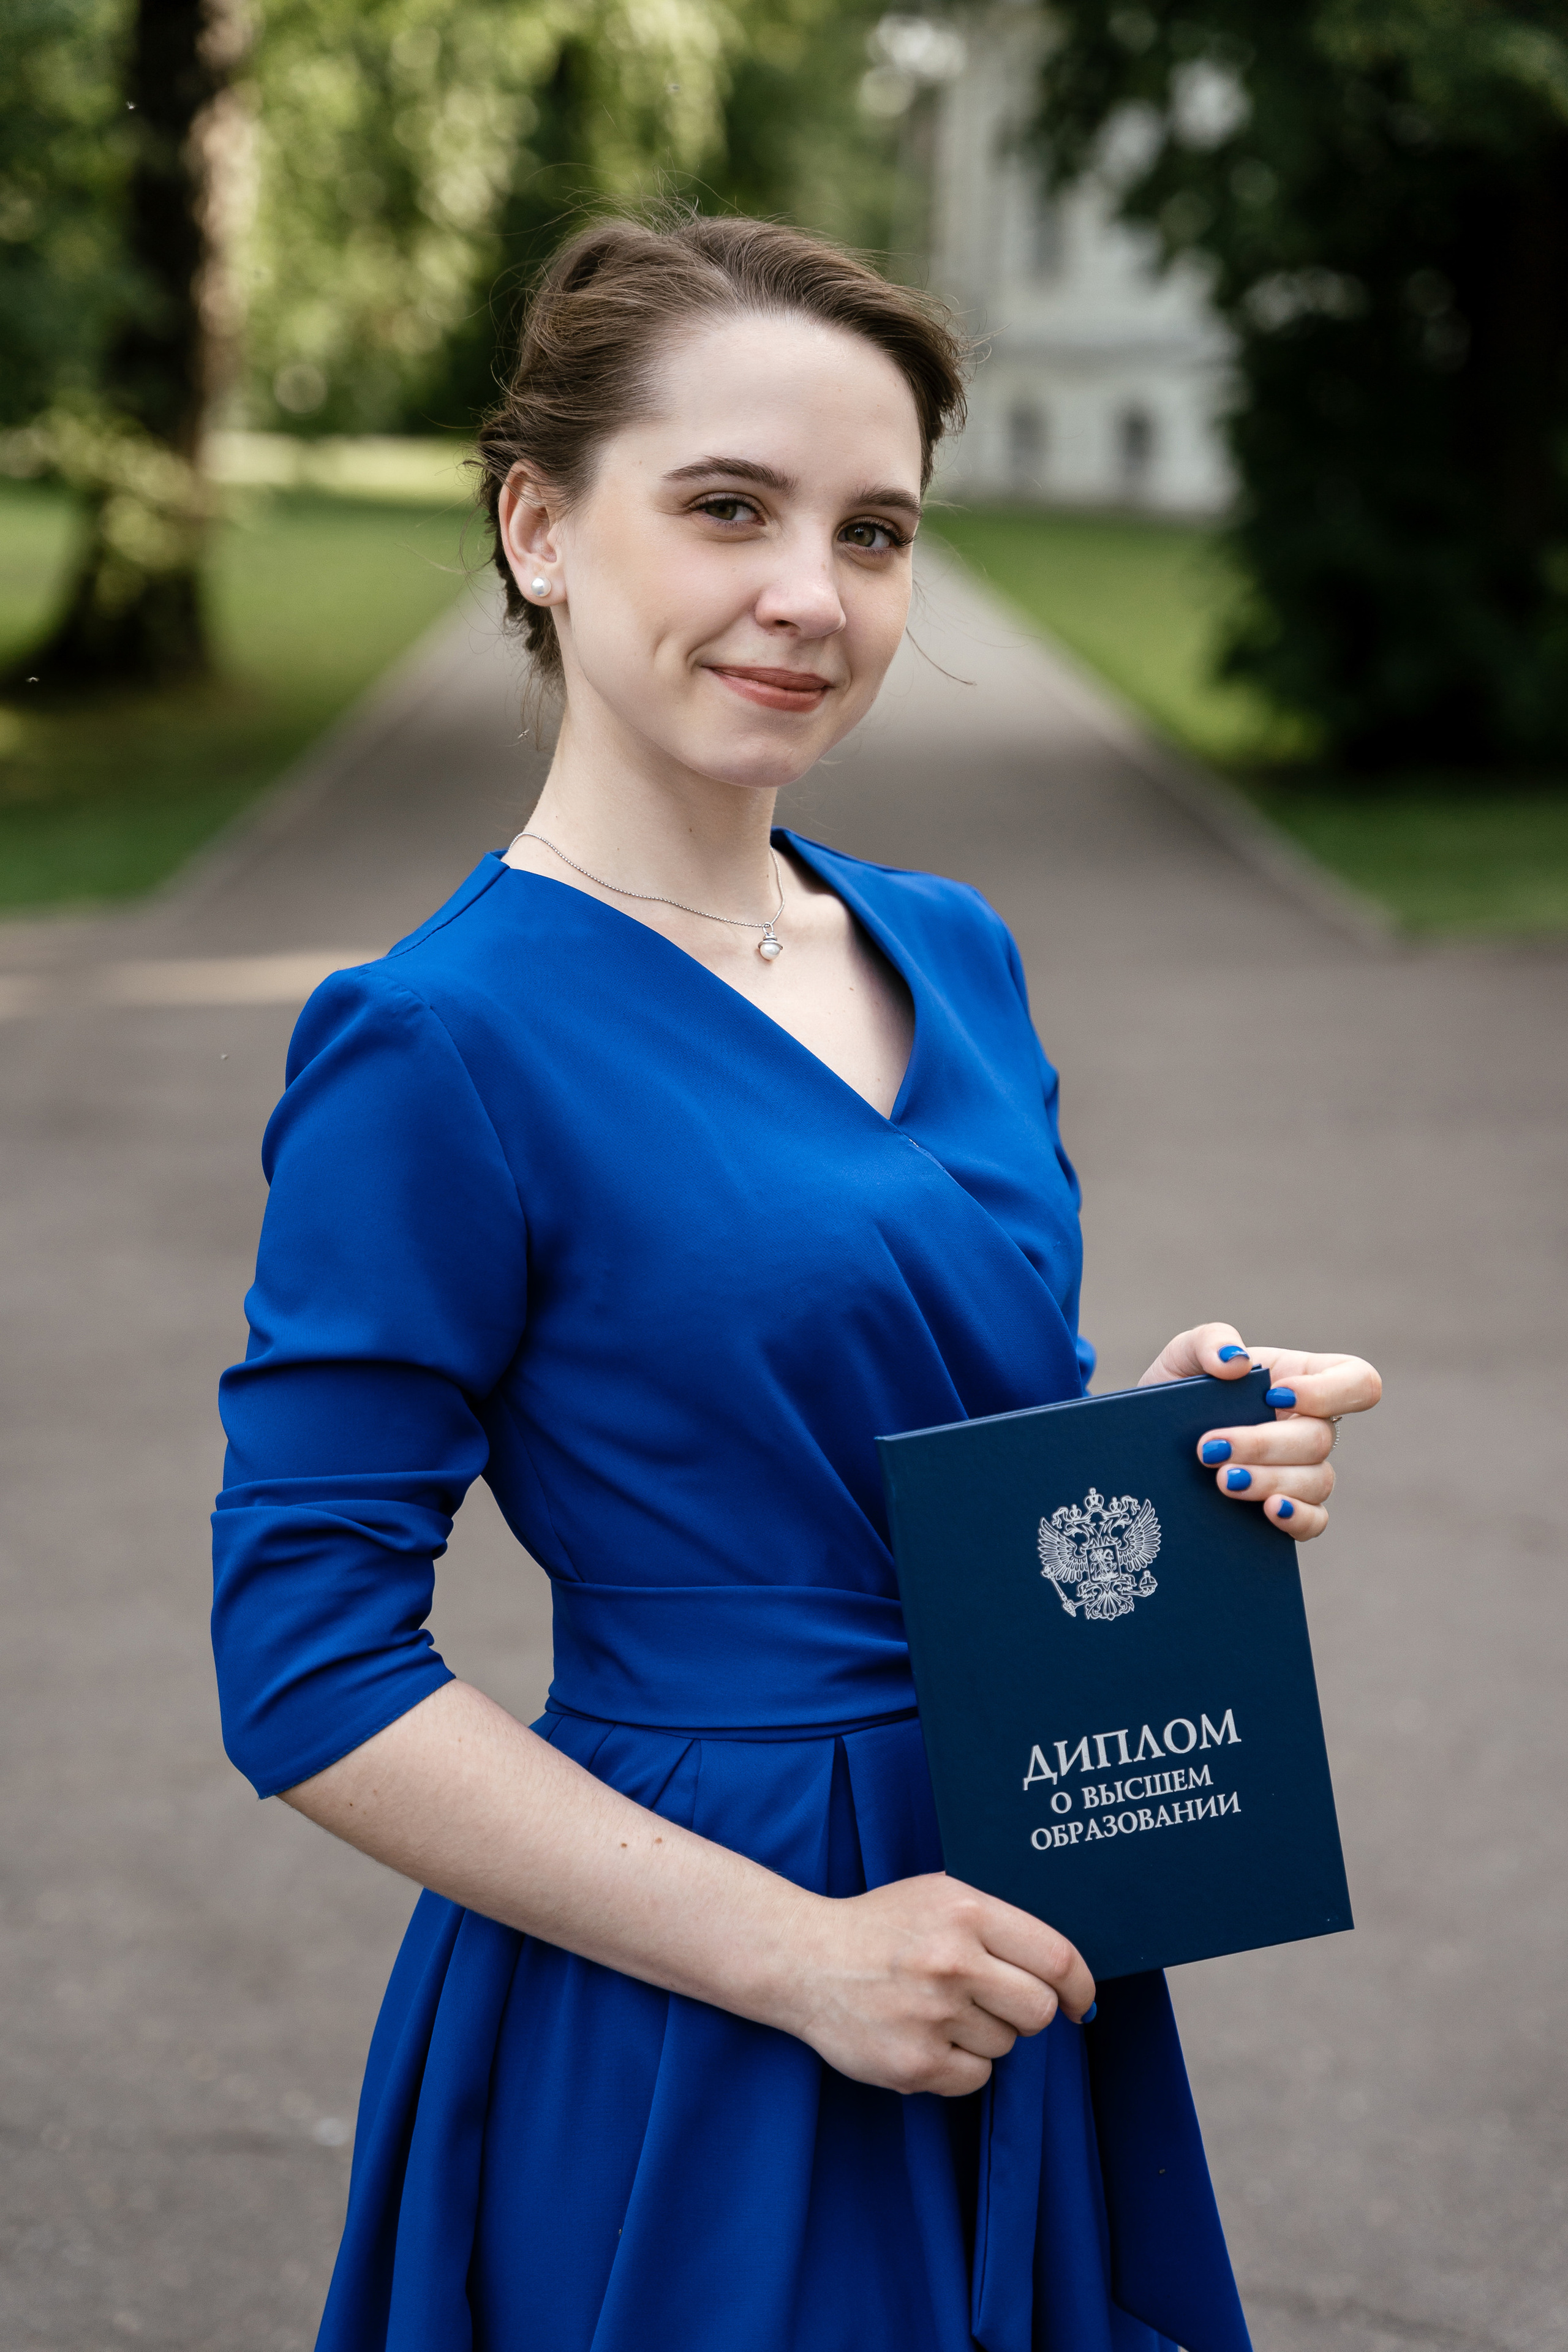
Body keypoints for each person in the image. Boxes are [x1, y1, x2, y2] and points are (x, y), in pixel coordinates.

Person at [211, 212, 1381, 2352]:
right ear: (541, 527)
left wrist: (1164, 1439)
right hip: (712, 1970)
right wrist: (794, 1957)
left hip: (1034, 1897)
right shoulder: (436, 1043)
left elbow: (909, 1443)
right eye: (729, 507)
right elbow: (303, 1663)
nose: (807, 597)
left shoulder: (951, 942)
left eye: (875, 530)